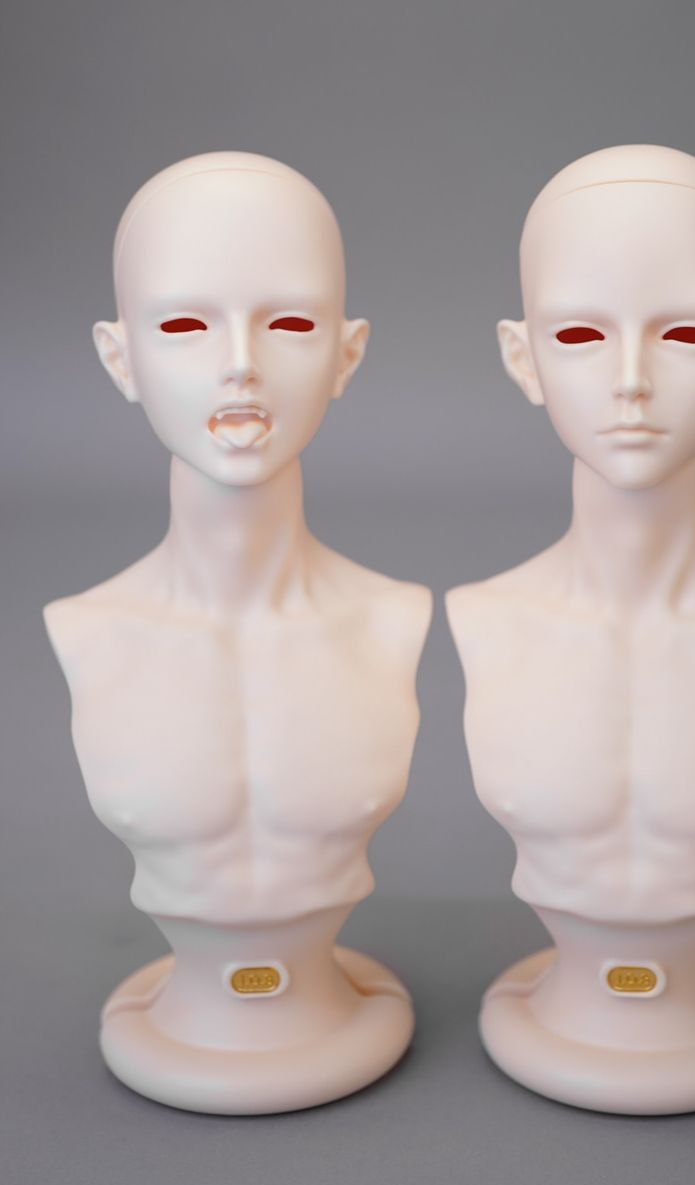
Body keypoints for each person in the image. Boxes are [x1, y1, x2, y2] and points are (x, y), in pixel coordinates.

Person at [447, 144, 695, 1114]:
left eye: (686, 333)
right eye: (580, 332)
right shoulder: (482, 619)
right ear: (522, 357)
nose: (630, 380)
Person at [45, 152, 432, 1114]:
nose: (240, 363)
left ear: (346, 352)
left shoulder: (392, 619)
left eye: (289, 323)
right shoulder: (91, 631)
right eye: (184, 325)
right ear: (119, 358)